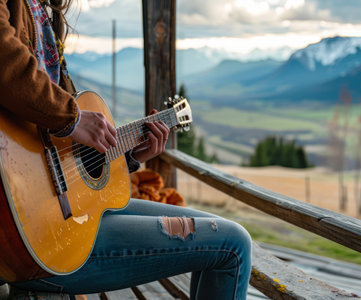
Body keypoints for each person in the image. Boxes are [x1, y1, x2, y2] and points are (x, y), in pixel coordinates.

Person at [0, 0, 252, 299]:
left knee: (223, 228)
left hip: (64, 215)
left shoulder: (42, 9)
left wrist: (129, 155)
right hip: (37, 242)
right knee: (232, 244)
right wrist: (73, 117)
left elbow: (57, 152)